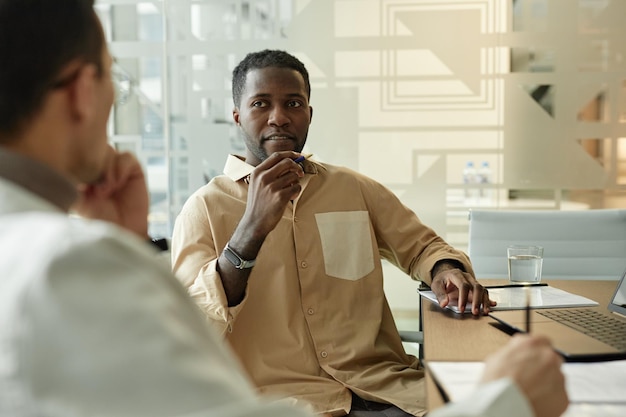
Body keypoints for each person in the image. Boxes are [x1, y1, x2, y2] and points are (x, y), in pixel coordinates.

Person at [168, 49, 556, 417]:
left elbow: (423, 247)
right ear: (237, 116)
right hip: (282, 402)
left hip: (386, 389)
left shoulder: (352, 188)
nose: (279, 117)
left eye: (293, 103)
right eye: (260, 104)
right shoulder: (203, 208)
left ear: (309, 113)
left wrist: (445, 270)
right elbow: (190, 334)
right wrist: (250, 231)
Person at [0, 2, 311, 416]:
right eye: (112, 76)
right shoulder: (68, 261)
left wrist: (130, 247)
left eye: (293, 104)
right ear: (82, 92)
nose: (279, 118)